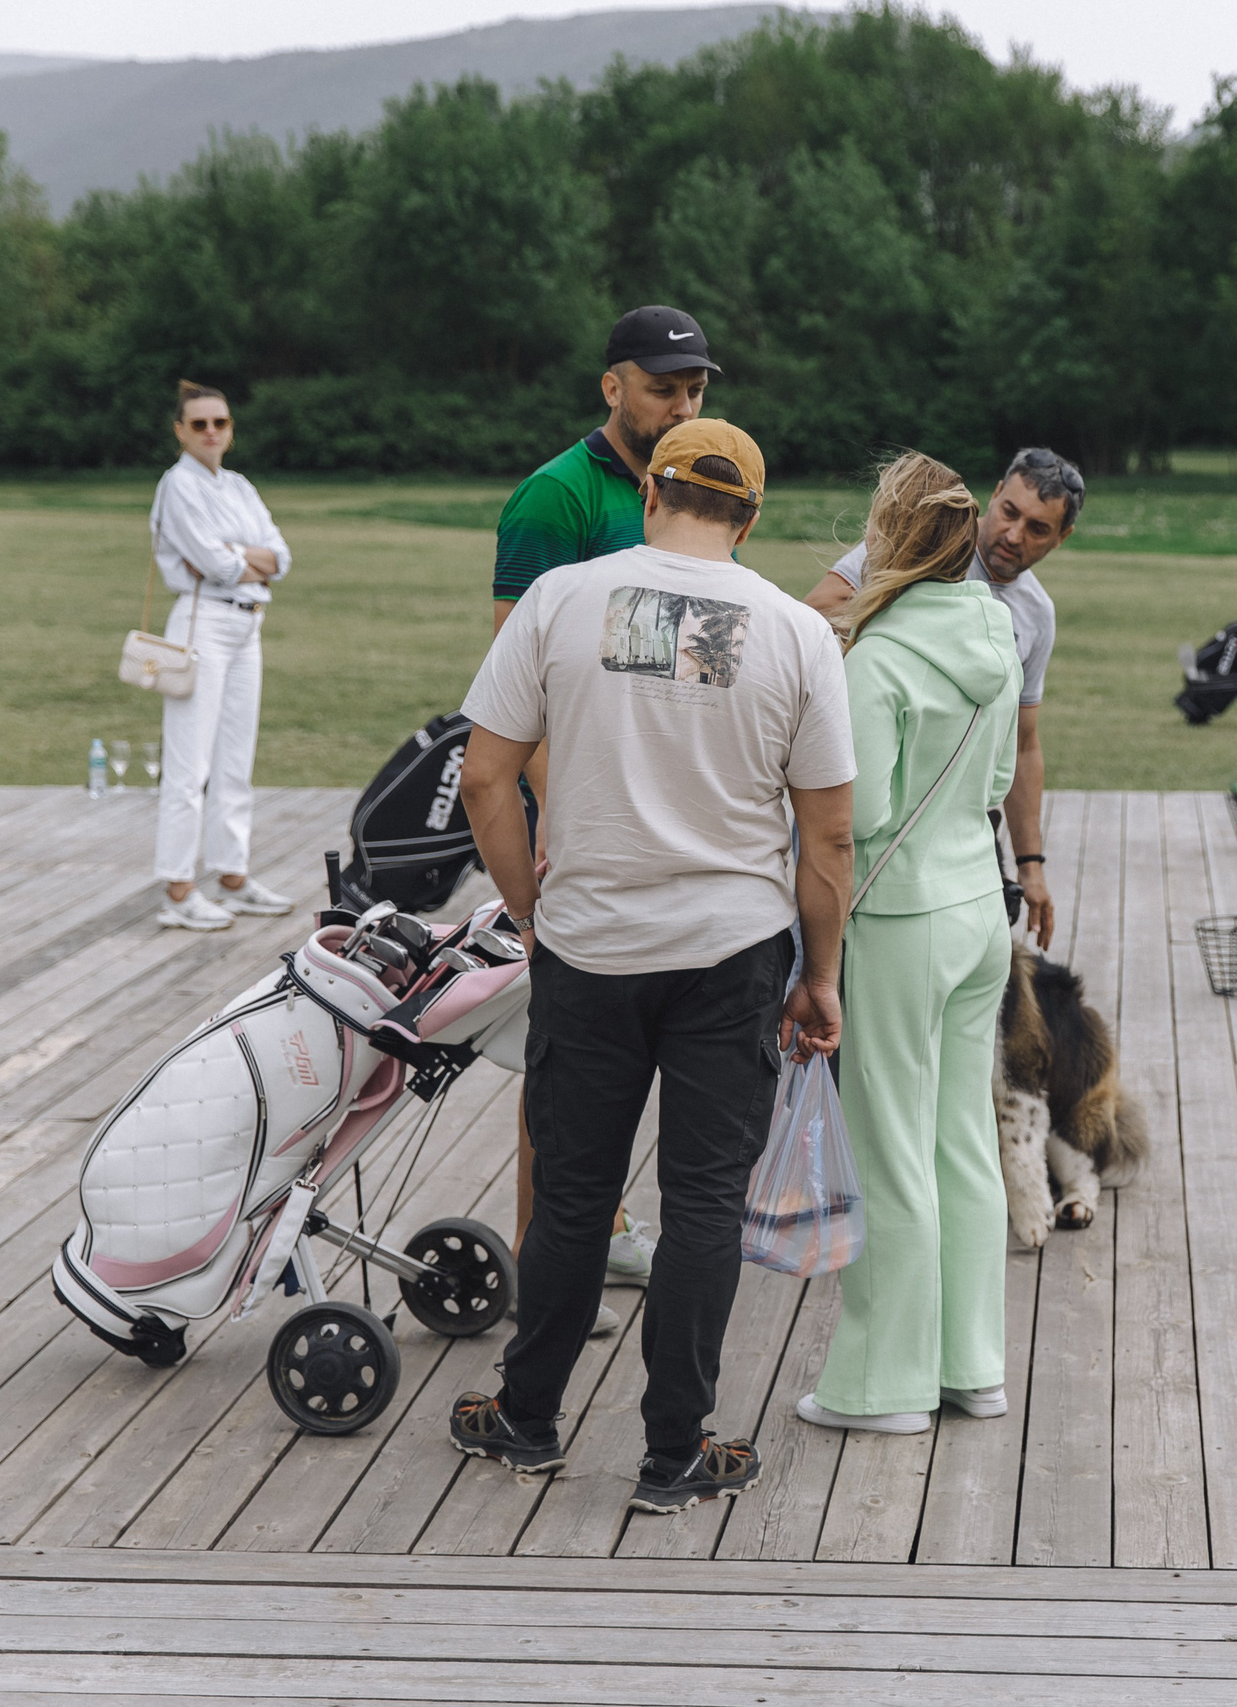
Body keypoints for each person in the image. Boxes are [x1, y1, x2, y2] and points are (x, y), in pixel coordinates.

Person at [446, 417, 857, 1517]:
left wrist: (529, 910)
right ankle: (676, 1450)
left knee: (574, 1196)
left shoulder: (560, 600)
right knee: (704, 1203)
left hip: (589, 944)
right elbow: (828, 837)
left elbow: (485, 779)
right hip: (731, 951)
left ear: (649, 495)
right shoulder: (796, 631)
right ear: (750, 517)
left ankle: (527, 1417)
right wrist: (819, 974)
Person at [492, 305, 720, 1306]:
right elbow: (516, 688)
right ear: (612, 387)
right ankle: (543, 1261)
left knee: (652, 1033)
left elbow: (700, 654)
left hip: (673, 810)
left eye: (695, 389)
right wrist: (560, 813)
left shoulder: (697, 485)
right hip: (580, 808)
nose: (683, 406)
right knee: (569, 1048)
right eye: (664, 388)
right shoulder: (556, 498)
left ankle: (609, 1227)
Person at [796, 453, 1022, 1436]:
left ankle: (883, 1385)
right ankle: (971, 1366)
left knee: (889, 1150)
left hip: (900, 919)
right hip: (978, 908)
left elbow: (857, 818)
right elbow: (996, 782)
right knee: (961, 1143)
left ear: (886, 534)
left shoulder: (879, 657)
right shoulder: (996, 633)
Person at [805, 447, 1078, 949]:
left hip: (960, 822)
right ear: (995, 494)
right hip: (882, 817)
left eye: (1038, 529)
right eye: (1010, 512)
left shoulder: (1037, 615)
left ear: (1062, 537)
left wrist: (1031, 865)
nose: (1014, 534)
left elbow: (1022, 744)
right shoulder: (921, 539)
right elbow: (817, 616)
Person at [150, 381, 292, 933]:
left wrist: (239, 558)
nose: (211, 432)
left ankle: (233, 875)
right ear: (180, 430)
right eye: (200, 424)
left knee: (236, 756)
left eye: (220, 422)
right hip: (201, 622)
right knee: (190, 762)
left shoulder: (238, 485)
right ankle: (179, 888)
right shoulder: (177, 485)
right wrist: (243, 560)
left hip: (247, 624)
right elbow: (215, 564)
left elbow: (281, 557)